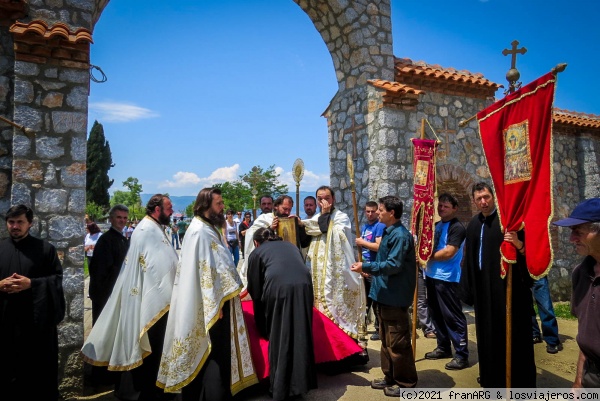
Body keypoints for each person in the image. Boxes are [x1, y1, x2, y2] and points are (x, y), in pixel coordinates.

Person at [157, 187, 257, 400]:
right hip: (212, 306)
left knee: (216, 354)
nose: (222, 208)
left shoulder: (207, 228)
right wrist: (216, 305)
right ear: (205, 206)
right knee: (213, 354)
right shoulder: (200, 231)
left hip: (216, 302)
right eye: (219, 204)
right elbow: (206, 272)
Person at [82, 194, 179, 401]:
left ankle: (155, 388)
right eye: (169, 208)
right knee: (148, 348)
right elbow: (151, 267)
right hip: (148, 300)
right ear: (157, 209)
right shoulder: (145, 230)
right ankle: (145, 391)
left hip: (158, 299)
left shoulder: (155, 227)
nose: (172, 211)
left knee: (157, 348)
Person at [462, 182, 535, 388]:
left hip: (507, 291)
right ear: (474, 201)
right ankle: (491, 377)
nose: (483, 202)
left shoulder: (508, 222)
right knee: (487, 336)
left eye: (486, 197)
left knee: (511, 335)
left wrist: (518, 244)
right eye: (479, 199)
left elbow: (526, 253)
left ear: (493, 197)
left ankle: (516, 381)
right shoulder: (474, 224)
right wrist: (468, 289)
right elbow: (469, 259)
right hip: (483, 292)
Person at [351, 195, 418, 394]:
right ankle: (390, 376)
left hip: (394, 296)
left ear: (391, 212)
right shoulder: (389, 232)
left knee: (398, 343)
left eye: (380, 210)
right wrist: (369, 270)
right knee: (386, 340)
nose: (377, 213)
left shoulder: (400, 235)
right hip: (383, 295)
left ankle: (405, 383)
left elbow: (393, 265)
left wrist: (368, 266)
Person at [0, 204, 65, 400]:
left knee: (36, 378)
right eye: (11, 222)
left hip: (36, 328)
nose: (15, 226)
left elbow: (57, 280)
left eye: (20, 222)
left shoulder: (46, 250)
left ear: (30, 224)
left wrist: (32, 284)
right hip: (4, 325)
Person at [247, 227, 317, 400]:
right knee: (300, 335)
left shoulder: (257, 253)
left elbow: (255, 290)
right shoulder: (291, 246)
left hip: (279, 290)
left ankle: (280, 388)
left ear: (256, 243)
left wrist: (262, 325)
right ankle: (300, 385)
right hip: (304, 287)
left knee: (280, 337)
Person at [304, 186, 367, 363]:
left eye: (327, 198)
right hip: (317, 276)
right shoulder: (315, 219)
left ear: (334, 199)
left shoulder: (341, 217)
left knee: (336, 310)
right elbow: (309, 230)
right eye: (320, 198)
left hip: (336, 275)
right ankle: (325, 355)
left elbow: (328, 230)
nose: (323, 202)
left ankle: (345, 355)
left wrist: (325, 217)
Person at [552, 197, 600, 389]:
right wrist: (579, 380)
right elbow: (585, 333)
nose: (571, 239)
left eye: (578, 232)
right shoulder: (581, 273)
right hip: (592, 376)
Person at [423, 193, 469, 370]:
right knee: (436, 314)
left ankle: (461, 354)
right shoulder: (437, 225)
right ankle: (443, 347)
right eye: (440, 205)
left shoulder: (457, 227)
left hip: (448, 278)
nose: (441, 208)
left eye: (446, 206)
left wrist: (427, 256)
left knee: (452, 316)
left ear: (455, 208)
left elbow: (449, 252)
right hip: (432, 275)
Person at [240, 195, 311, 288]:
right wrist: (270, 228)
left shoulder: (292, 221)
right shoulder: (265, 219)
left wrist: (301, 226)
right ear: (276, 206)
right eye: (285, 209)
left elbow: (304, 243)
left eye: (289, 209)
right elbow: (254, 238)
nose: (287, 212)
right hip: (270, 265)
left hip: (289, 265)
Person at [88, 204, 129, 324]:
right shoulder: (105, 240)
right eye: (119, 217)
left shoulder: (122, 239)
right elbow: (99, 270)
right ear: (111, 219)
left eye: (125, 218)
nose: (122, 220)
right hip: (106, 294)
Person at [355, 201, 386, 341]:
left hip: (375, 267)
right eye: (367, 211)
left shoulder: (379, 226)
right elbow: (361, 250)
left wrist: (362, 242)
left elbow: (378, 246)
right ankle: (363, 325)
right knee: (365, 299)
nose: (370, 214)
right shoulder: (365, 227)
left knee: (376, 300)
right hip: (365, 266)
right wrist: (361, 266)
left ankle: (379, 329)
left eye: (373, 211)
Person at [532, 276, 562, 354]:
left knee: (545, 306)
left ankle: (552, 340)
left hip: (536, 269)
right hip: (519, 269)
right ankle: (534, 333)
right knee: (525, 307)